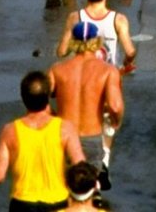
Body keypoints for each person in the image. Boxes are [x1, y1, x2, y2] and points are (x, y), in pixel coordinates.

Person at [0, 69, 83, 208]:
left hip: (23, 204)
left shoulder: (9, 130)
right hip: (57, 202)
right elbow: (81, 168)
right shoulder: (65, 128)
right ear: (47, 97)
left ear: (23, 97)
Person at [49, 21, 124, 195]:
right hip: (91, 137)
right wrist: (115, 124)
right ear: (97, 41)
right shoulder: (107, 71)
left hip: (64, 137)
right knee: (88, 193)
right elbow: (115, 106)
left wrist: (53, 116)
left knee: (62, 190)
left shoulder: (57, 70)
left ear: (73, 42)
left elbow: (40, 100)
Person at [57, 0, 137, 75]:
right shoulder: (118, 19)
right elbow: (130, 52)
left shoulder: (75, 17)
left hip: (84, 75)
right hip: (108, 76)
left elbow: (61, 52)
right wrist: (127, 62)